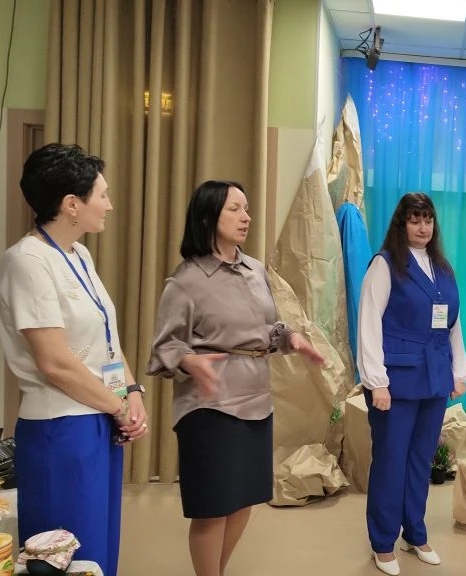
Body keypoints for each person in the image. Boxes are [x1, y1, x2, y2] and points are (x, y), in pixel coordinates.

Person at [147, 180, 325, 576]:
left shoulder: (255, 269)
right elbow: (164, 348)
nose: (246, 217)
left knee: (244, 502)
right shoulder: (186, 281)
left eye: (246, 208)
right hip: (209, 408)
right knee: (213, 509)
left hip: (257, 402)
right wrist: (190, 362)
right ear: (208, 216)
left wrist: (291, 338)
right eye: (235, 209)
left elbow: (266, 329)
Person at [0, 143, 148, 576]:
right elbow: (55, 363)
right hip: (60, 428)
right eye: (102, 195)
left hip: (99, 417)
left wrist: (131, 393)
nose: (109, 205)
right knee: (64, 555)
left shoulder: (79, 255)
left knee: (98, 548)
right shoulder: (27, 262)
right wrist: (118, 407)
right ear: (71, 204)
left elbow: (106, 339)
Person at [357, 193, 466, 576]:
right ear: (401, 224)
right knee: (391, 462)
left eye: (428, 220)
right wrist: (377, 382)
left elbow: (453, 325)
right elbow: (369, 323)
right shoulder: (385, 264)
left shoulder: (443, 268)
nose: (423, 228)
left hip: (434, 378)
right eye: (415, 220)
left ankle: (415, 533)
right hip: (396, 381)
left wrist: (459, 371)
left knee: (420, 462)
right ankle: (382, 542)